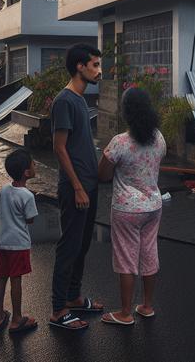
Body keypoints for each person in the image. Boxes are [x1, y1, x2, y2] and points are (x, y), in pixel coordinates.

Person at [97, 87, 165, 326]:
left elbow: (103, 175)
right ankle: (146, 306)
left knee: (126, 258)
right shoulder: (158, 137)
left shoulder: (120, 142)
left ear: (126, 112)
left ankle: (125, 313)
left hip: (126, 209)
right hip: (153, 205)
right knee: (149, 253)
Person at [49, 44, 105, 330]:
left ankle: (73, 297)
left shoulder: (82, 100)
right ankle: (58, 310)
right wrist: (78, 187)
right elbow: (59, 149)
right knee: (69, 247)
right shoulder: (65, 101)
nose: (99, 70)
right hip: (75, 189)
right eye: (94, 64)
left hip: (89, 185)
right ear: (80, 67)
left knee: (82, 246)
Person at [0, 149, 39, 334]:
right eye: (33, 164)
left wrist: (7, 214)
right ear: (27, 173)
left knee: (1, 278)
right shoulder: (27, 196)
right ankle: (17, 319)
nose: (35, 166)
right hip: (19, 244)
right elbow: (30, 219)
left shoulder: (4, 189)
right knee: (16, 280)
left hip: (3, 242)